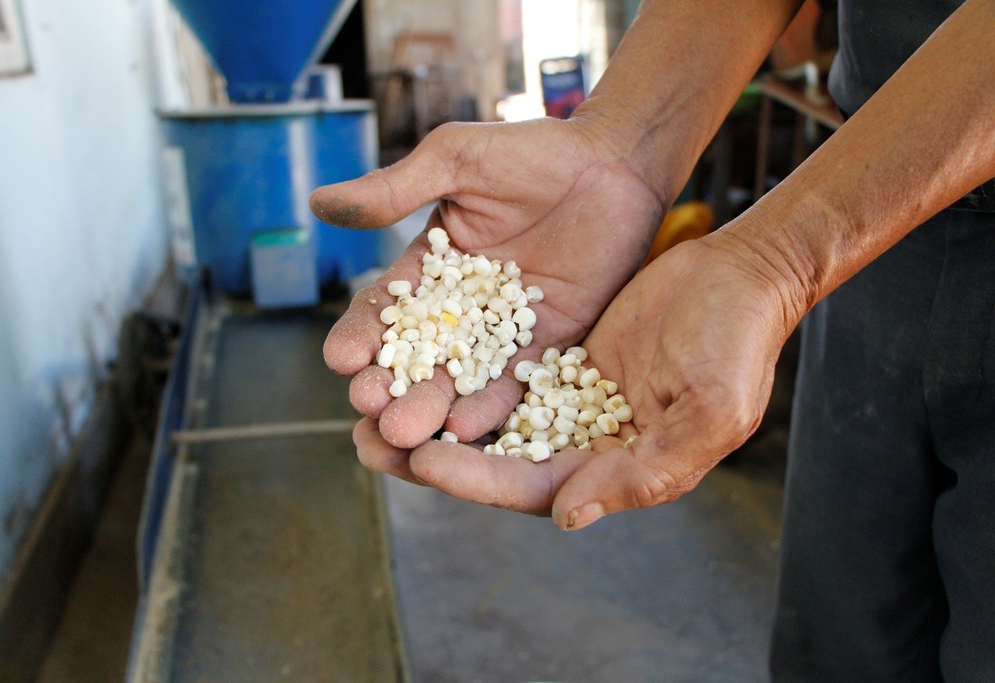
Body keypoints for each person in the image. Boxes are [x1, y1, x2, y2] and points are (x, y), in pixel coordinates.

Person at [313, 0, 995, 679]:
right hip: (863, 210)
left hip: (865, 216)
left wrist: (779, 256)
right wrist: (625, 146)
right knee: (840, 635)